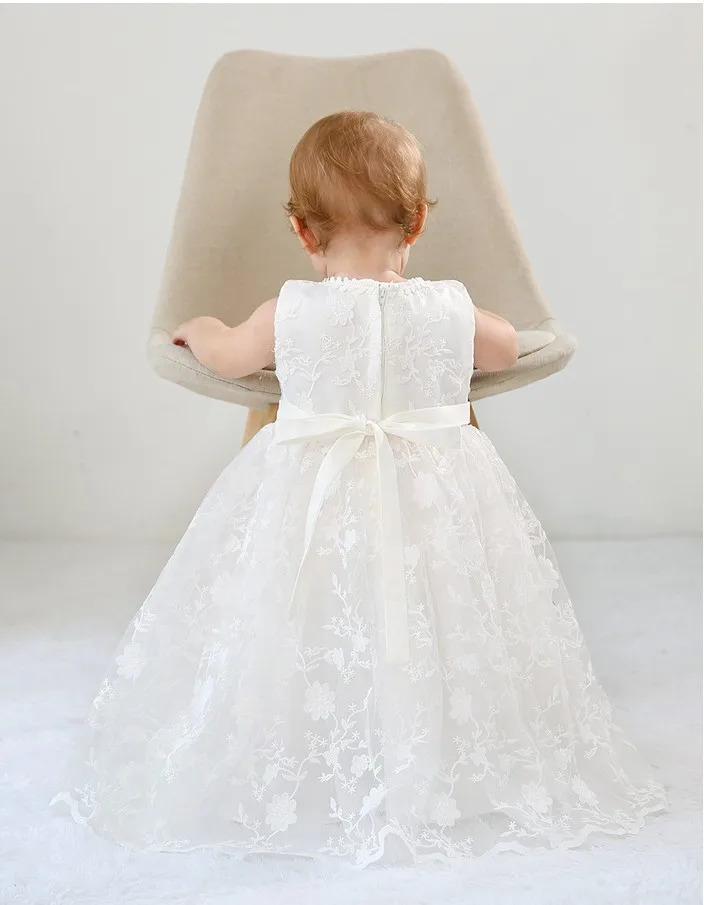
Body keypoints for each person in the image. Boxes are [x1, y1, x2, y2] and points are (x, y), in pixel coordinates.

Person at [52, 111, 667, 867]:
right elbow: (506, 346)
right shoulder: (446, 307)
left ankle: (311, 742)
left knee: (302, 603)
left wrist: (200, 327)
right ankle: (437, 747)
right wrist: (465, 319)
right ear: (417, 222)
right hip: (434, 496)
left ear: (301, 231)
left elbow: (232, 356)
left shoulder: (289, 310)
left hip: (316, 491)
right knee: (442, 608)